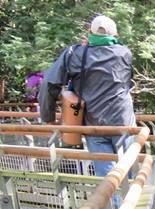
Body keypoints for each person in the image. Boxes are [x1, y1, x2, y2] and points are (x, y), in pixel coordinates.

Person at [39, 15, 135, 195]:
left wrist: (48, 117)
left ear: (89, 33)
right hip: (124, 123)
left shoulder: (74, 53)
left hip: (93, 124)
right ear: (115, 34)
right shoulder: (124, 53)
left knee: (107, 177)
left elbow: (48, 84)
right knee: (129, 172)